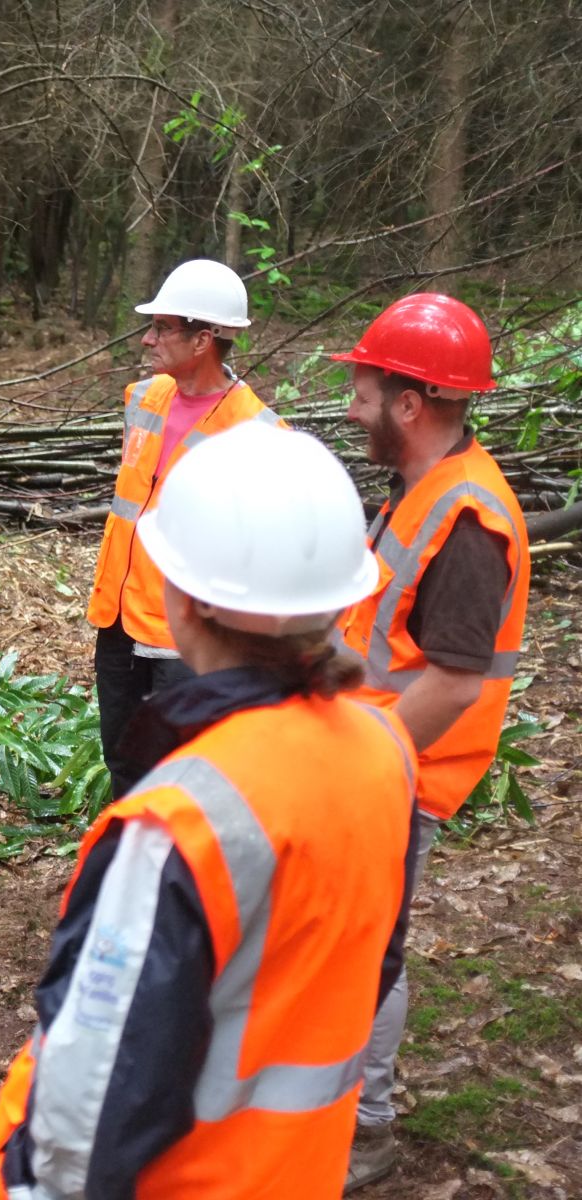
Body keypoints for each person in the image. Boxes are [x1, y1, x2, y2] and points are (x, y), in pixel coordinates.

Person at [0, 424, 419, 1199]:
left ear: (188, 600)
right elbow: (367, 969)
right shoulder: (385, 749)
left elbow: (96, 1089)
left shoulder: (186, 817)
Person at [333, 293, 529, 1191]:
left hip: (396, 774)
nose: (351, 406)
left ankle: (365, 1131)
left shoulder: (468, 519)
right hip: (369, 757)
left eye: (364, 390)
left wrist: (357, 765)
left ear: (410, 403)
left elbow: (452, 679)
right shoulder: (421, 489)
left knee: (371, 948)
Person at [86, 259, 283, 797]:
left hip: (190, 642)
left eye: (161, 328)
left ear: (203, 340)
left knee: (184, 779)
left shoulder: (259, 434)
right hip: (119, 621)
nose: (147, 339)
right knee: (123, 762)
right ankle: (131, 864)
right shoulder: (143, 400)